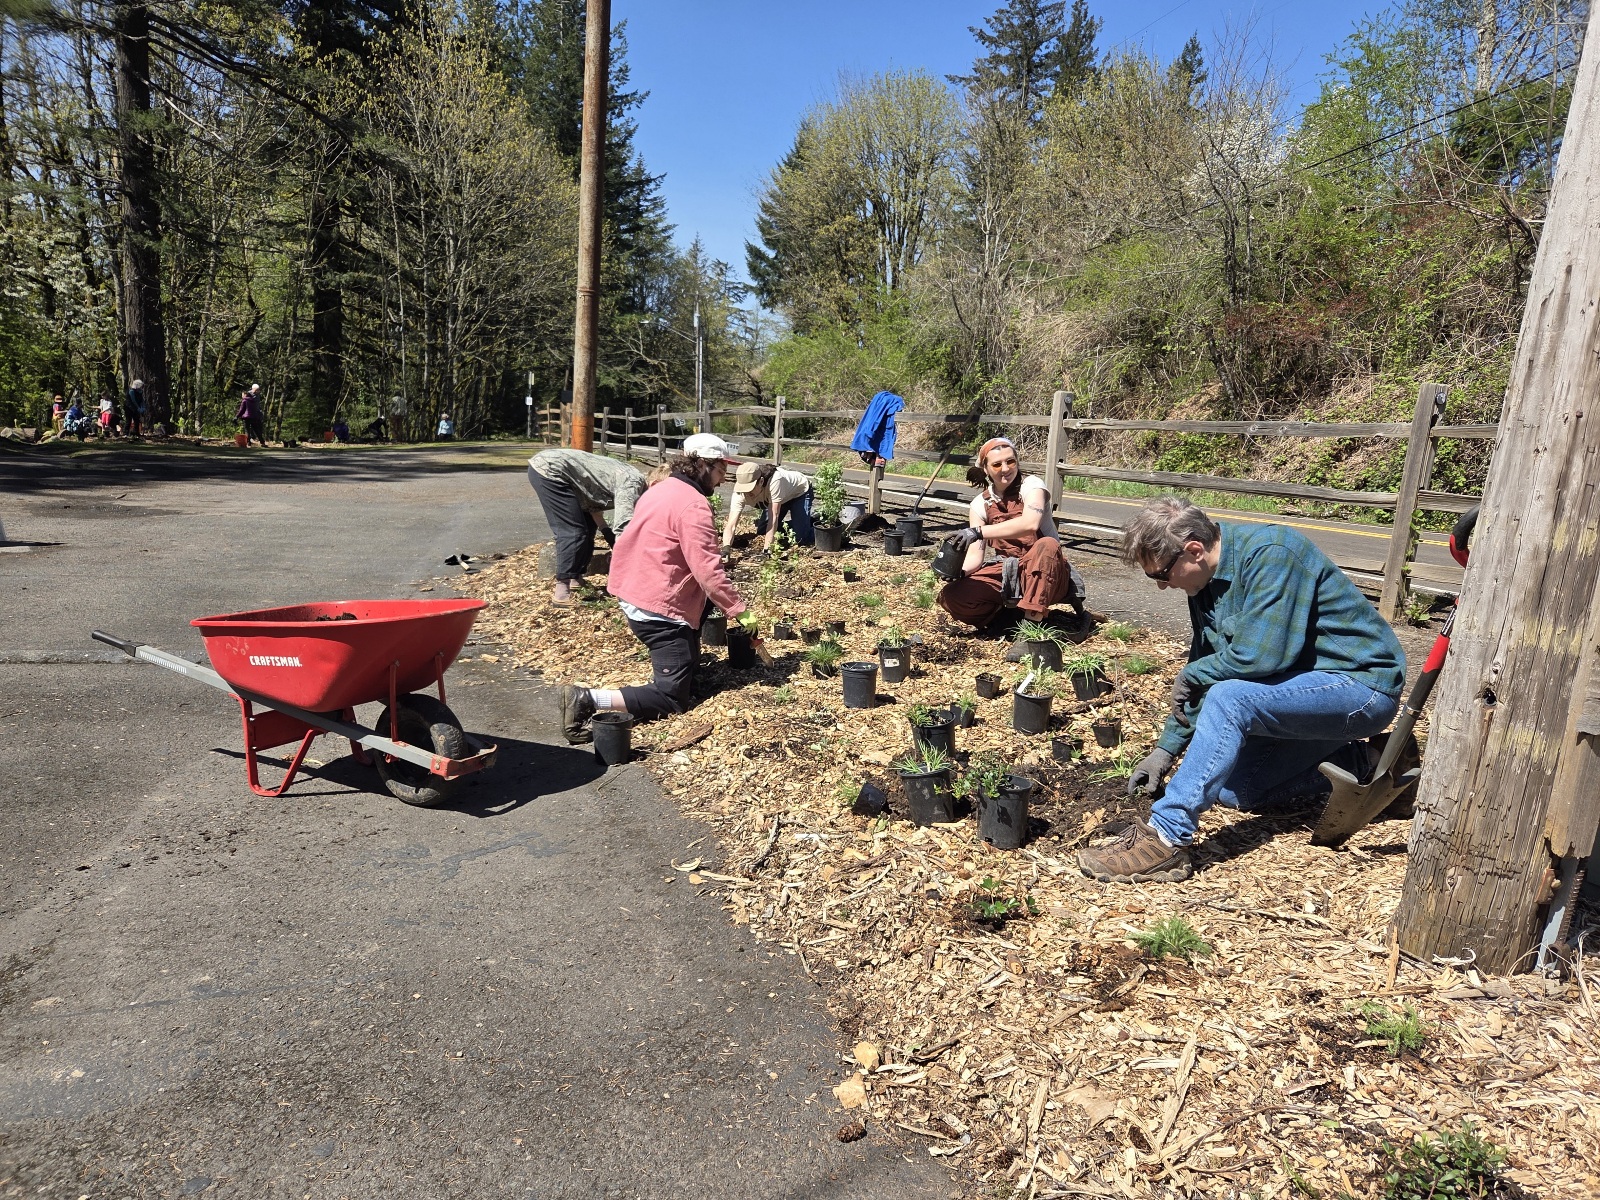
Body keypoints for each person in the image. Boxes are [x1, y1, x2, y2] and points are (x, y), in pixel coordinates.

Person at [1076, 497, 1407, 885]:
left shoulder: (1273, 554)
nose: (1163, 586)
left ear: (1194, 551)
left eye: (1161, 575)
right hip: (1301, 694)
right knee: (1238, 791)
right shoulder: (1203, 586)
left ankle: (1165, 839)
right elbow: (1205, 671)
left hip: (1360, 687)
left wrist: (1195, 673)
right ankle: (1369, 761)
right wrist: (1164, 752)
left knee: (1230, 697)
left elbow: (1260, 657)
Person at [558, 433, 756, 744]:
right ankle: (588, 699)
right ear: (705, 465)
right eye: (721, 472)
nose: (722, 481)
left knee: (688, 664)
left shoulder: (661, 489)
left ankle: (682, 667)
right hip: (658, 607)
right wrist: (739, 612)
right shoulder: (693, 505)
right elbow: (707, 572)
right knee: (673, 698)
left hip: (636, 588)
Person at [937, 437, 1086, 629]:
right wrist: (960, 572)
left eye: (1010, 461)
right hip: (1010, 572)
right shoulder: (980, 504)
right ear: (986, 469)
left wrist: (978, 531)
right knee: (953, 596)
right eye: (997, 464)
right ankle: (1009, 620)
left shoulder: (1032, 486)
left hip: (1049, 573)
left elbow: (1030, 524)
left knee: (1047, 545)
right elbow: (975, 556)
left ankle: (1031, 627)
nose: (1005, 469)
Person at [527, 448, 648, 604]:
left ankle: (575, 578)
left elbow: (596, 516)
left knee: (588, 528)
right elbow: (623, 526)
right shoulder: (632, 484)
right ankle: (561, 592)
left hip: (568, 478)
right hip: (550, 470)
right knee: (573, 532)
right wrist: (630, 561)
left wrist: (609, 536)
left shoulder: (633, 480)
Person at [722, 461, 814, 550]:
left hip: (799, 493)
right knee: (762, 531)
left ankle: (815, 528)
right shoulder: (739, 492)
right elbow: (731, 525)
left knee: (800, 538)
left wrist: (767, 550)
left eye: (750, 489)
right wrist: (726, 549)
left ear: (761, 481)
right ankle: (804, 521)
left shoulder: (775, 480)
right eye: (744, 489)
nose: (747, 493)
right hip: (777, 498)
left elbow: (773, 517)